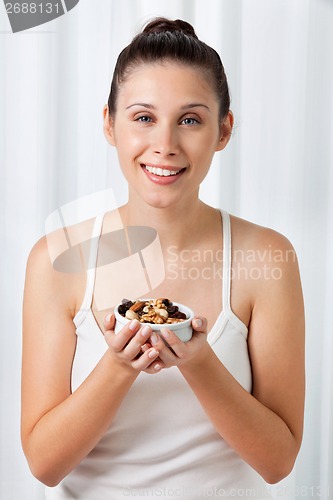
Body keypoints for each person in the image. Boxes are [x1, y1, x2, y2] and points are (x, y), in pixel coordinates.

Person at [21, 17, 305, 499]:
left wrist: (198, 362)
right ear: (110, 123)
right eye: (144, 117)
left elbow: (278, 462)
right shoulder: (57, 259)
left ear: (223, 129)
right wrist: (118, 367)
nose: (166, 145)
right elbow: (44, 464)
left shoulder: (268, 257)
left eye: (190, 119)